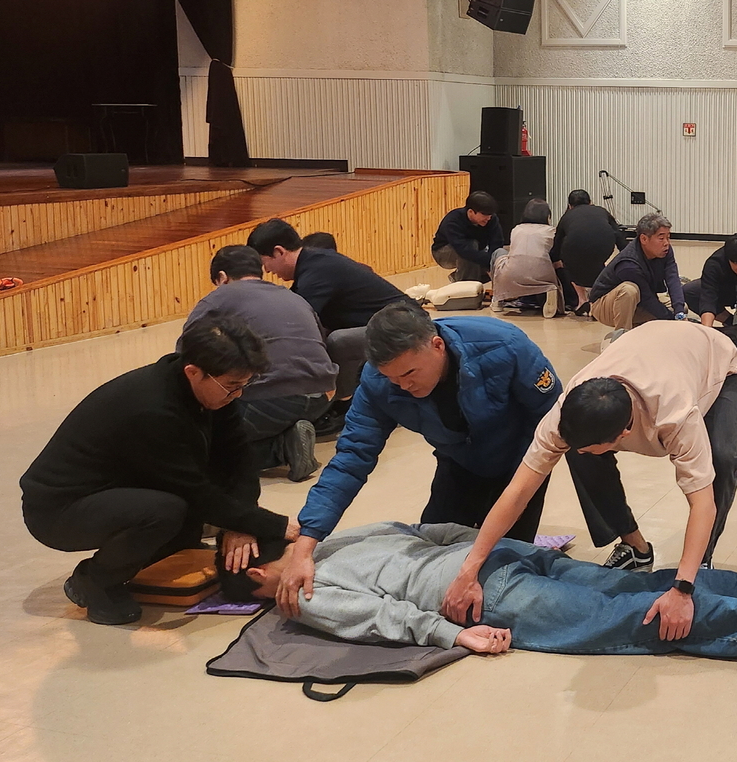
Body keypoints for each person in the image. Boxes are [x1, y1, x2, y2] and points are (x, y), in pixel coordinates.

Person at [440, 322, 737, 643]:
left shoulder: (675, 414)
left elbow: (702, 504)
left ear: (623, 435)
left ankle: (701, 561)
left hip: (713, 359)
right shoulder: (566, 412)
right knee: (580, 454)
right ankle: (635, 547)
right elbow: (518, 492)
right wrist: (469, 568)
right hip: (648, 346)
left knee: (722, 458)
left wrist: (683, 589)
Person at [273, 303, 562, 618]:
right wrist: (305, 546)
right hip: (457, 462)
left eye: (409, 373)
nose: (404, 386)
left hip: (522, 464)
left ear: (437, 345)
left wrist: (526, 481)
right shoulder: (377, 382)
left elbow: (556, 419)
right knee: (431, 561)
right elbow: (351, 457)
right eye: (392, 378)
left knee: (506, 573)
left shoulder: (503, 344)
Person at [19, 313, 297, 625]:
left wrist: (243, 521)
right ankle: (95, 581)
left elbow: (238, 456)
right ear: (194, 372)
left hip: (122, 486)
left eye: (244, 385)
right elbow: (193, 492)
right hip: (59, 510)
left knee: (191, 504)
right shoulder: (153, 410)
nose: (238, 394)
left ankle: (160, 553)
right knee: (165, 511)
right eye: (232, 386)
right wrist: (269, 524)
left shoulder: (212, 392)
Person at [221, 522, 737, 656]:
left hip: (478, 595)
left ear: (254, 575)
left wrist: (454, 634)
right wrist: (487, 550)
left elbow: (380, 618)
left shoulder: (297, 591)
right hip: (495, 556)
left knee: (608, 616)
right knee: (626, 581)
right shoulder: (336, 538)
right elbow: (431, 530)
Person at [181, 245, 337, 482]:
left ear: (222, 277)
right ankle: (287, 435)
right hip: (322, 395)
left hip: (270, 399)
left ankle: (280, 448)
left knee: (199, 447)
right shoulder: (293, 296)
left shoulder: (220, 297)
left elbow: (186, 350)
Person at [247, 218, 413, 435]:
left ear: (279, 252)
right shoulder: (312, 264)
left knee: (338, 342)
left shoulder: (317, 270)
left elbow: (297, 324)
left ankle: (345, 406)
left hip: (405, 324)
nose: (267, 271)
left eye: (265, 263)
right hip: (386, 322)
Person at [587, 213, 686, 333]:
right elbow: (647, 298)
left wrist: (679, 312)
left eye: (668, 237)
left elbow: (673, 278)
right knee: (629, 290)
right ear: (644, 239)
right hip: (604, 305)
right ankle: (622, 334)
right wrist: (673, 321)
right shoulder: (629, 264)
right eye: (661, 238)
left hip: (639, 301)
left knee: (681, 307)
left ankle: (641, 330)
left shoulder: (665, 251)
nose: (666, 243)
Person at [551, 189, 627, 315]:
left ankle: (582, 299)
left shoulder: (566, 217)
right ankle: (597, 299)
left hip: (574, 253)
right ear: (591, 202)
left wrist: (555, 260)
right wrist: (626, 254)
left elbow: (557, 243)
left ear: (569, 206)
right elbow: (618, 235)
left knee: (569, 267)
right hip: (603, 249)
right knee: (597, 265)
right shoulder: (602, 211)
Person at [490, 199, 562, 318]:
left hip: (511, 276)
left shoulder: (516, 229)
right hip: (543, 277)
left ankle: (497, 300)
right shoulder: (552, 231)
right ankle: (549, 292)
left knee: (498, 252)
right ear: (547, 216)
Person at [431, 191, 506, 283]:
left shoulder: (491, 219)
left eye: (490, 215)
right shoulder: (453, 221)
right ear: (471, 212)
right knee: (471, 248)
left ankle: (459, 277)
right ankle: (466, 283)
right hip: (443, 253)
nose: (488, 218)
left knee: (499, 254)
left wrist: (494, 262)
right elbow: (464, 250)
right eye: (484, 214)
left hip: (474, 249)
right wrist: (488, 261)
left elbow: (497, 242)